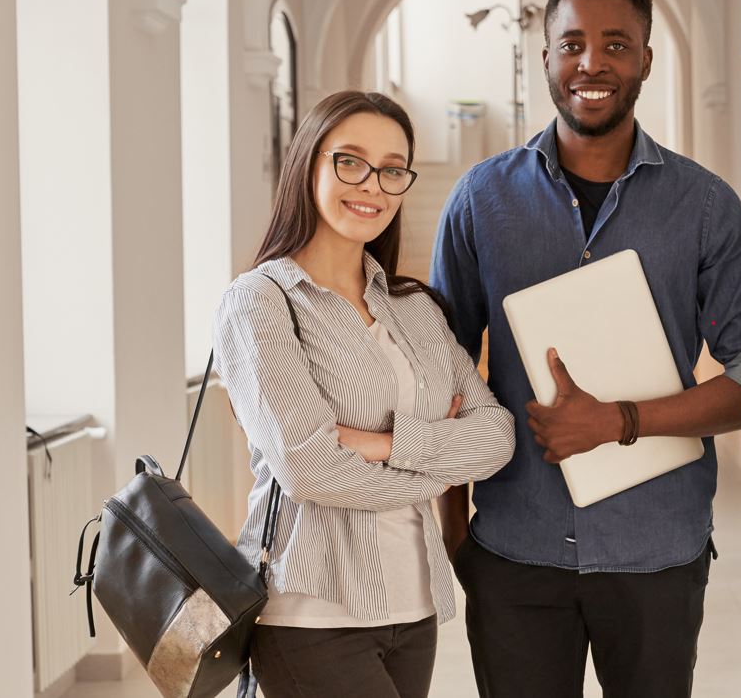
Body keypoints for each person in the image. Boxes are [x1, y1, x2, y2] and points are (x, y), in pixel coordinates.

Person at [430, 0, 741, 698]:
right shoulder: (479, 200)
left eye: (616, 44)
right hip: (513, 547)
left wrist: (619, 420)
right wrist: (454, 531)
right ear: (546, 57)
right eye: (572, 44)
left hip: (656, 549)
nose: (592, 62)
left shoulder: (706, 207)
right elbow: (443, 371)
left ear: (647, 59)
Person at [213, 90, 515, 698]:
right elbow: (308, 471)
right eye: (349, 161)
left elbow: (498, 438)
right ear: (309, 163)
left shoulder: (414, 307)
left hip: (415, 604)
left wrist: (380, 444)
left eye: (392, 169)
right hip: (310, 613)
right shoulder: (261, 301)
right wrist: (440, 460)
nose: (371, 185)